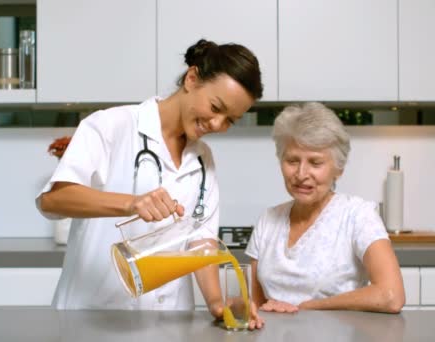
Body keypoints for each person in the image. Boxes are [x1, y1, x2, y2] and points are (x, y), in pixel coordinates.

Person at [36, 39, 264, 328]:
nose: (218, 125)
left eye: (231, 120)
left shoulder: (203, 159)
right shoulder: (111, 126)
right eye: (216, 107)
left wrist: (218, 304)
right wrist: (131, 203)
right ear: (192, 79)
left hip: (167, 324)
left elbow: (201, 241)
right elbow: (52, 200)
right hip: (93, 318)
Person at [246, 102, 405, 314]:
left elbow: (391, 295)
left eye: (315, 162)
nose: (301, 174)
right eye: (292, 160)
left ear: (338, 168)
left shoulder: (358, 215)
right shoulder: (268, 220)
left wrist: (305, 308)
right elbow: (256, 306)